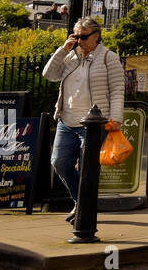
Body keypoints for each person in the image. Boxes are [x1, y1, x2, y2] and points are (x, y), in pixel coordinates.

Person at [42, 16, 125, 223]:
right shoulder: (70, 57)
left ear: (96, 36)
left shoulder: (108, 57)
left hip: (93, 124)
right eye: (76, 36)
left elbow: (117, 90)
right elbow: (49, 75)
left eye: (83, 36)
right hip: (66, 120)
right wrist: (63, 49)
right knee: (59, 162)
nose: (79, 40)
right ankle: (82, 202)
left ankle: (84, 211)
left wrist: (115, 118)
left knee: (88, 169)